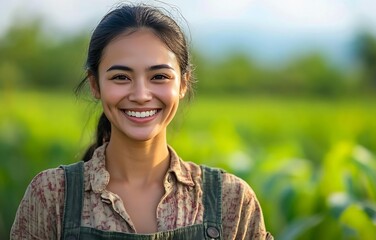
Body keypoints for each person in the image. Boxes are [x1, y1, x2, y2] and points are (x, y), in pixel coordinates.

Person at [10, 3, 273, 239]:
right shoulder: (52, 196)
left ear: (183, 84)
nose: (140, 95)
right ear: (95, 85)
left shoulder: (230, 199)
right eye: (121, 77)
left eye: (159, 77)